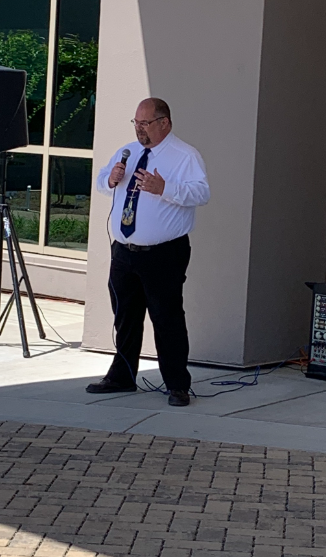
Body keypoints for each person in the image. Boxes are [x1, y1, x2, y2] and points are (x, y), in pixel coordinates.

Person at [86, 98, 210, 406]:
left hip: (163, 253)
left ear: (164, 123)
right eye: (136, 123)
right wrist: (110, 179)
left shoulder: (185, 155)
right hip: (124, 250)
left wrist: (164, 188)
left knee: (166, 318)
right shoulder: (128, 152)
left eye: (145, 123)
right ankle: (122, 376)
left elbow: (201, 193)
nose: (139, 129)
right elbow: (101, 181)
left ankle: (177, 385)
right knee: (125, 316)